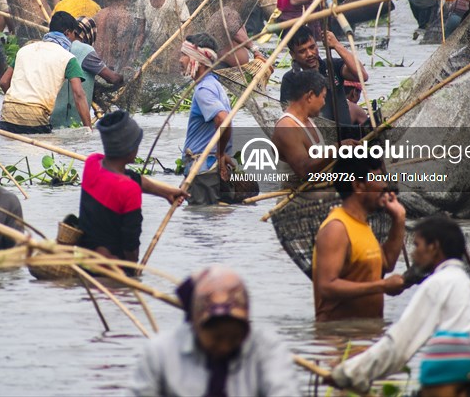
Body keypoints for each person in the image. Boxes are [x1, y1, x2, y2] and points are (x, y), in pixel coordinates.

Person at [329, 214, 470, 392]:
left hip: (460, 384)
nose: (413, 253)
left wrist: (347, 372)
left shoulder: (438, 284)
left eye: (417, 245)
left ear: (434, 248)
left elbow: (399, 344)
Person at [130, 266, 298, 396]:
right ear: (196, 325)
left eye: (233, 338)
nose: (224, 346)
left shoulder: (268, 350)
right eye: (216, 338)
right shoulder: (160, 352)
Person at [79, 111, 188, 268]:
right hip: (112, 271)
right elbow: (130, 244)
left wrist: (166, 193)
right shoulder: (128, 189)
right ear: (131, 149)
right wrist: (133, 274)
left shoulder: (92, 163)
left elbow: (131, 177)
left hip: (86, 260)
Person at [312, 156, 407, 321]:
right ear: (357, 186)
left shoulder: (363, 225)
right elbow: (327, 286)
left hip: (364, 336)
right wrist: (382, 286)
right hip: (340, 338)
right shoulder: (336, 228)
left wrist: (399, 218)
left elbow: (387, 264)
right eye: (376, 179)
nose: (384, 186)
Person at [0, 11, 92, 135]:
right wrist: (88, 129)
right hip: (35, 119)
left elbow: (4, 82)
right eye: (74, 34)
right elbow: (79, 95)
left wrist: (18, 104)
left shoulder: (24, 50)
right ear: (68, 33)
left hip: (7, 115)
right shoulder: (68, 58)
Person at [179, 33, 234, 205]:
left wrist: (220, 153)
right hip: (207, 170)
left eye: (184, 55)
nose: (180, 60)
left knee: (200, 225)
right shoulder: (215, 84)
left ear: (198, 60)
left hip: (204, 171)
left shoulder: (204, 89)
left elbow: (224, 120)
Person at [285, 25, 368, 127]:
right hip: (317, 137)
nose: (310, 54)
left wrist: (337, 45)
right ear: (292, 54)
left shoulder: (332, 66)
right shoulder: (291, 79)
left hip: (347, 134)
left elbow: (362, 76)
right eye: (302, 51)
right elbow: (291, 118)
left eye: (312, 47)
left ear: (316, 45)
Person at [51, 18, 123, 128]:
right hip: (74, 123)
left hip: (51, 120)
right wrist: (125, 78)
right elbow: (111, 78)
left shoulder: (55, 48)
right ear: (89, 34)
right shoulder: (85, 50)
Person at [272, 70, 331, 184]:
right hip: (297, 199)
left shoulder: (309, 121)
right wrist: (336, 150)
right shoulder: (287, 127)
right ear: (310, 96)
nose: (324, 103)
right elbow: (303, 170)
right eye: (323, 97)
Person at [134, 0, 190, 64]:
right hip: (153, 52)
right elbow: (140, 33)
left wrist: (179, 50)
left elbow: (188, 27)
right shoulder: (142, 1)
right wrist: (134, 55)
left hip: (174, 50)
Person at [93, 0, 143, 72]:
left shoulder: (98, 15)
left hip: (95, 66)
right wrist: (123, 71)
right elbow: (122, 47)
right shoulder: (126, 16)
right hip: (113, 69)